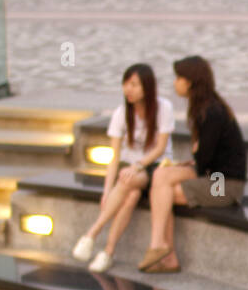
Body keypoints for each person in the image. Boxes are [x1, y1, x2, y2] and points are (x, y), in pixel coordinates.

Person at [138, 55, 247, 273]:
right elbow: (203, 160)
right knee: (161, 178)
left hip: (225, 185)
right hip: (214, 177)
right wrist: (188, 161)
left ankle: (163, 251)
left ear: (190, 81)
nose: (174, 83)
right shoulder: (205, 108)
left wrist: (191, 159)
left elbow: (203, 162)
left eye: (178, 78)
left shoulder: (211, 112)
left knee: (163, 189)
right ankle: (162, 250)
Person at [71, 64, 174, 273]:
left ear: (147, 87)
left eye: (134, 84)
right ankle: (108, 252)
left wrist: (137, 166)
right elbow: (114, 156)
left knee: (128, 180)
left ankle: (91, 233)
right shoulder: (121, 113)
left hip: (156, 166)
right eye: (126, 84)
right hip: (130, 172)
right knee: (131, 194)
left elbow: (161, 147)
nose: (128, 89)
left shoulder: (164, 108)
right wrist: (106, 192)